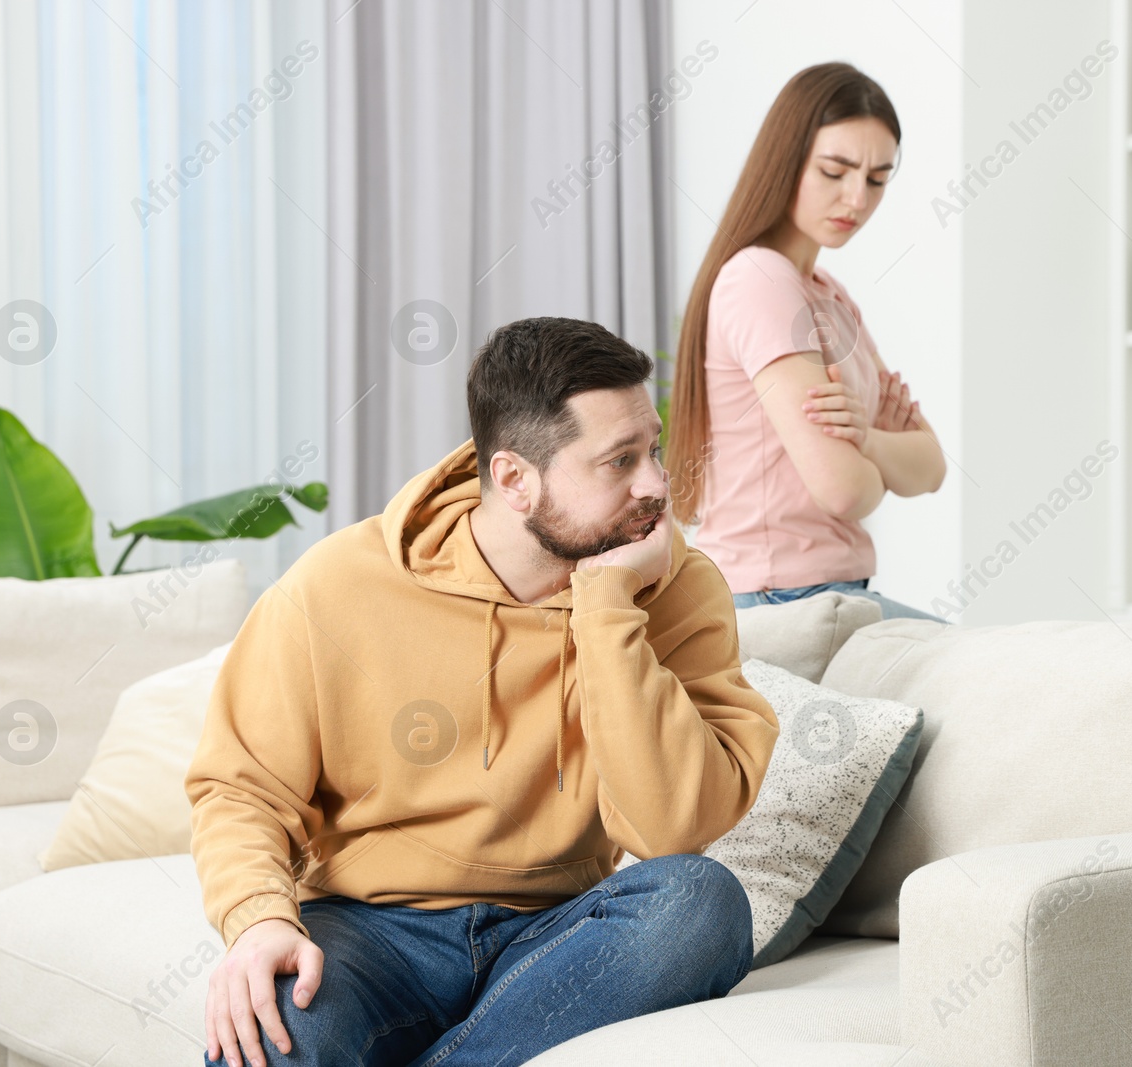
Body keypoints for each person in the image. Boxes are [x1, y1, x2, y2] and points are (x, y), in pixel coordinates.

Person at [188, 316, 779, 1067]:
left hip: (557, 931)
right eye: (620, 460)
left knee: (701, 903)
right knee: (272, 1027)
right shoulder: (335, 586)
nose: (656, 485)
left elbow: (671, 832)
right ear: (514, 479)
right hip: (368, 930)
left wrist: (606, 608)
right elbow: (239, 789)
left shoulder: (675, 588)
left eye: (653, 449)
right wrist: (257, 920)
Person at [666, 62, 948, 623]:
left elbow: (932, 467)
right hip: (779, 598)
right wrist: (880, 453)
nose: (857, 199)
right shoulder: (761, 280)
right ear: (787, 159)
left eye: (876, 178)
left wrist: (862, 437)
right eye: (835, 171)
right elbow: (845, 491)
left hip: (830, 591)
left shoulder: (829, 295)